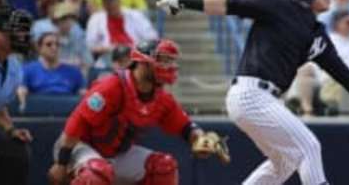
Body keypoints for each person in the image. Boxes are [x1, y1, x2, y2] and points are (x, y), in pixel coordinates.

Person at [156, 0, 349, 185]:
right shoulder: (280, 5)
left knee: (286, 162)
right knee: (309, 146)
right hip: (251, 93)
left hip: (265, 99)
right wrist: (182, 1)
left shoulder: (316, 33)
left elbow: (344, 74)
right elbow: (233, 4)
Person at [47, 40, 229, 185]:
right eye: (163, 60)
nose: (169, 66)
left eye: (170, 61)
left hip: (117, 153)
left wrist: (199, 139)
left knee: (164, 166)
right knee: (97, 173)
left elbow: (186, 127)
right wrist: (61, 163)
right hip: (78, 146)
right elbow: (77, 123)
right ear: (143, 62)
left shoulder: (161, 97)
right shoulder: (112, 86)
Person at [0, 7, 33, 185]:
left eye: (21, 32)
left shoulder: (15, 67)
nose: (18, 36)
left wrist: (11, 130)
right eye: (12, 31)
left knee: (16, 152)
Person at [85, 0, 157, 67]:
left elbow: (152, 37)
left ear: (119, 1)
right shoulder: (96, 19)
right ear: (103, 4)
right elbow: (89, 46)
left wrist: (135, 48)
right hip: (109, 58)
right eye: (108, 3)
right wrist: (106, 49)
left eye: (113, 2)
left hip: (134, 56)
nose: (111, 5)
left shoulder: (135, 15)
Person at [20, 32, 86, 97]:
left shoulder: (74, 72)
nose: (54, 47)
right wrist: (21, 90)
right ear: (39, 48)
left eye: (57, 44)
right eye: (49, 44)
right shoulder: (28, 70)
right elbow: (21, 89)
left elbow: (82, 94)